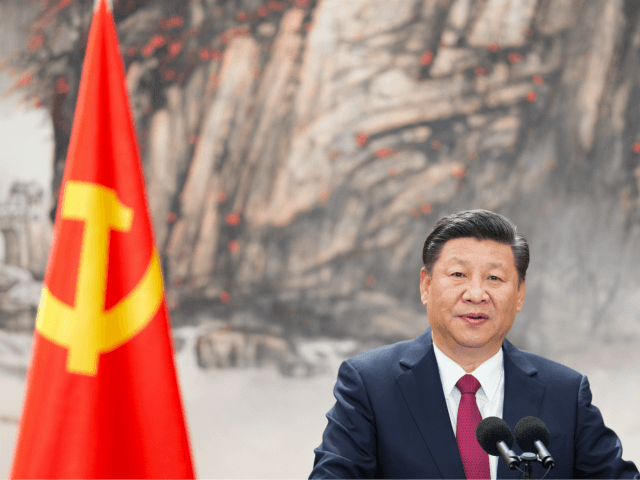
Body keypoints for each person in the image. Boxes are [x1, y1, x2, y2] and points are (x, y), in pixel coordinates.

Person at [309, 209, 639, 479]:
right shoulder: (370, 384)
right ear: (426, 286)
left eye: (494, 278)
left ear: (520, 293)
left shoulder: (565, 392)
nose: (476, 294)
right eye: (458, 275)